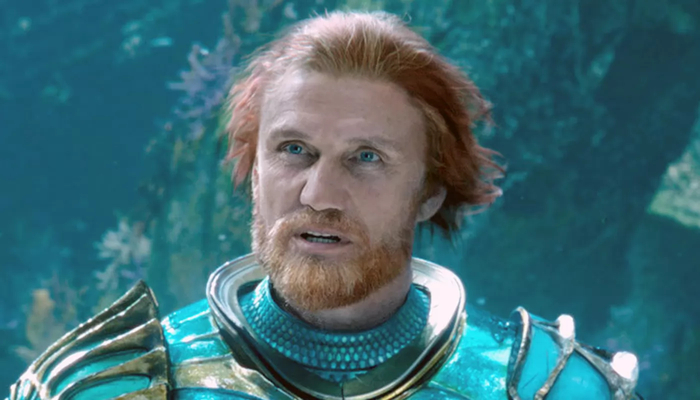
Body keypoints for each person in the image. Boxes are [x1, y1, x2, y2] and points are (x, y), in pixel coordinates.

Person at [7, 11, 641, 400]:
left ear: (430, 192)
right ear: (254, 172)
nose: (319, 194)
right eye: (293, 150)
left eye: (366, 157)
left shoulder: (548, 387)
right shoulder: (106, 389)